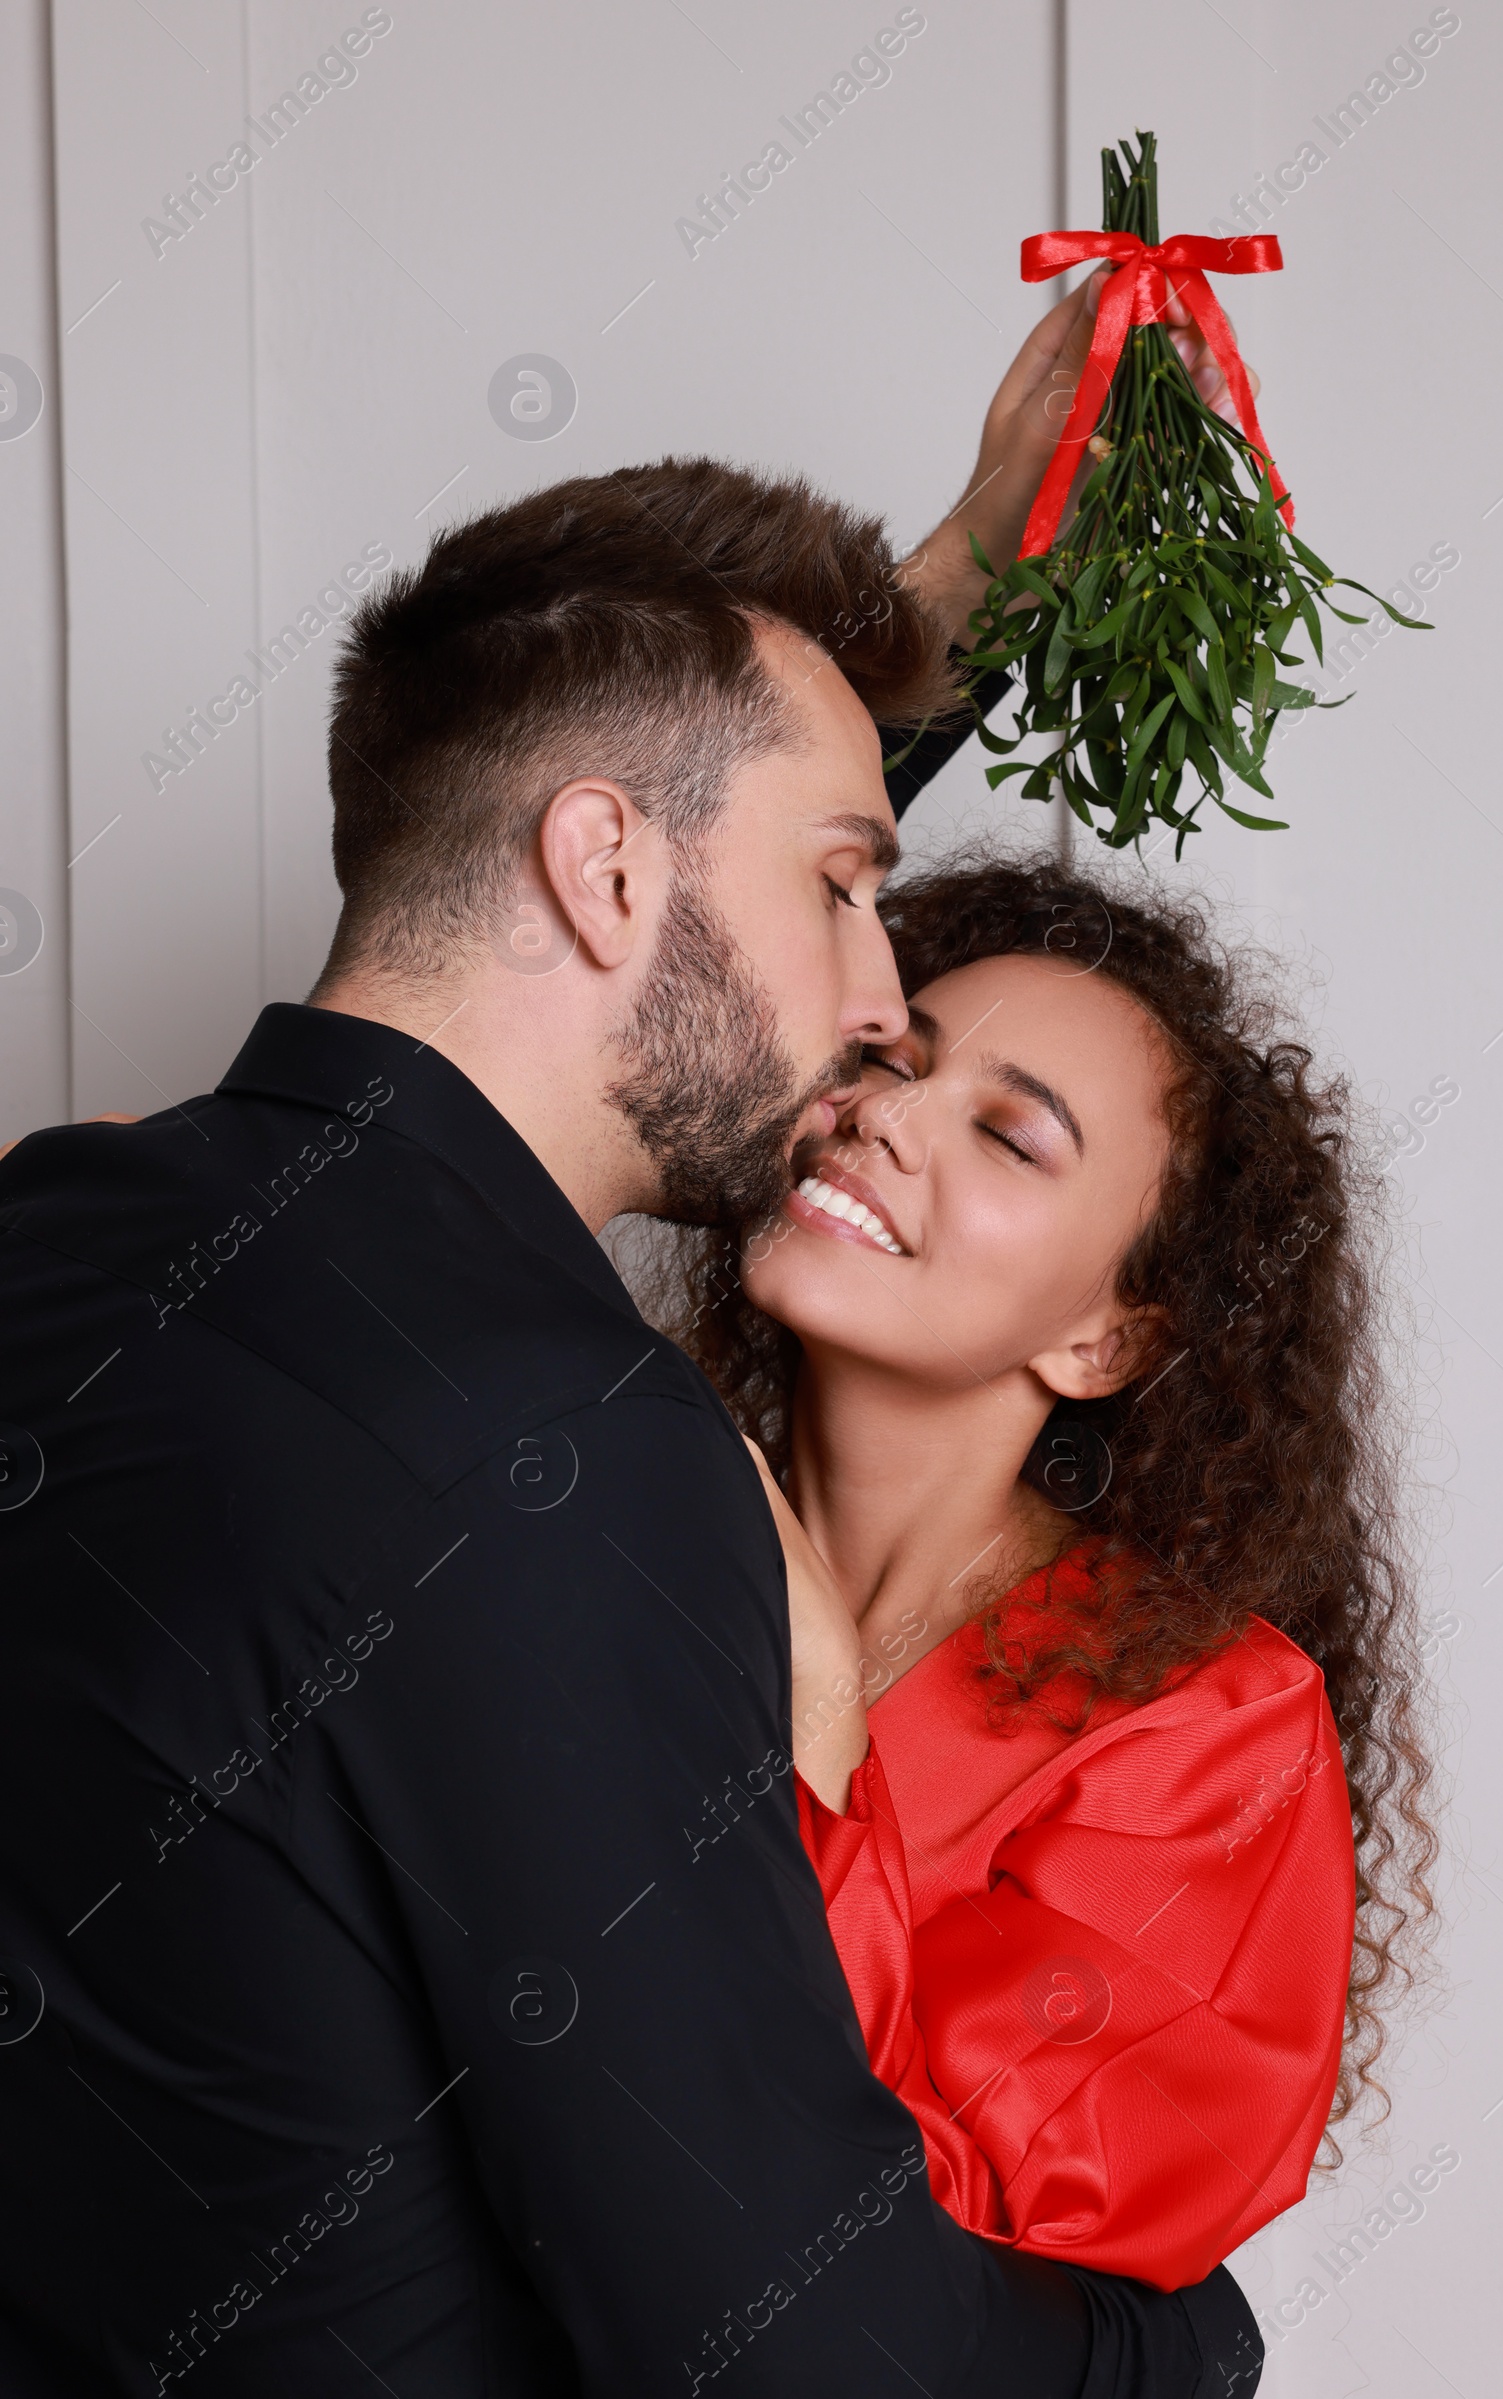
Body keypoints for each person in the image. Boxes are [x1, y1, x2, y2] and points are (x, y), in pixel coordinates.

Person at [0, 275, 1268, 2394]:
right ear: (598, 868)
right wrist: (1176, 2353)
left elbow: (678, 800)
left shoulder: (50, 1224)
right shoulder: (563, 1443)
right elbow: (795, 2355)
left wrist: (951, 582)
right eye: (851, 882)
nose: (876, 1003)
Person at [662, 857, 1436, 2297]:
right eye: (885, 1060)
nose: (881, 1118)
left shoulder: (1209, 1732)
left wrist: (825, 1717)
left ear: (1108, 1341)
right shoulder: (601, 1531)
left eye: (1009, 1138)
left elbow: (912, 2251)